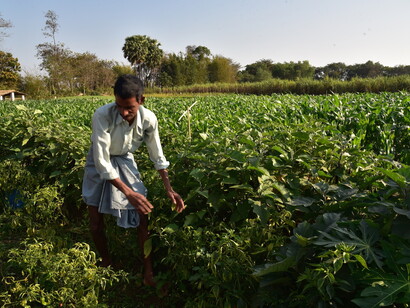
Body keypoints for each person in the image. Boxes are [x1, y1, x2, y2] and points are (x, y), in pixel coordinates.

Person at [82, 74, 185, 287]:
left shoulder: (149, 119)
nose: (124, 112)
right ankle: (106, 261)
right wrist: (128, 193)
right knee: (95, 219)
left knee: (142, 216)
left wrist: (169, 188)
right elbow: (102, 161)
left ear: (141, 100)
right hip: (98, 162)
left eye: (130, 108)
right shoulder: (102, 115)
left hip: (125, 160)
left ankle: (148, 271)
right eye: (119, 106)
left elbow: (157, 155)